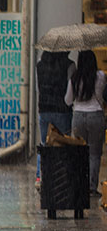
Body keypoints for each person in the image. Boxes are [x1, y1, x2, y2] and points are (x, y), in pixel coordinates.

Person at [65, 50, 106, 195]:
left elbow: (68, 101)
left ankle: (79, 184)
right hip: (96, 116)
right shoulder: (101, 76)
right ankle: (92, 187)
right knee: (94, 154)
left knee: (79, 152)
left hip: (78, 117)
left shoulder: (74, 78)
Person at [36, 51, 74, 184]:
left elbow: (38, 89)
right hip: (62, 111)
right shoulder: (69, 65)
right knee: (64, 144)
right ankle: (62, 178)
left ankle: (41, 177)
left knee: (44, 144)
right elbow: (70, 93)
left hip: (44, 110)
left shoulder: (39, 65)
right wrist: (65, 103)